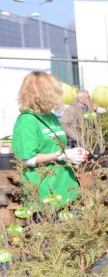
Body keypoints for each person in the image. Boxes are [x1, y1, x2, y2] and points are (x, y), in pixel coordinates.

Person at [12, 71, 86, 210]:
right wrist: (62, 155)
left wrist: (73, 155)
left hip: (66, 188)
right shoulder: (27, 120)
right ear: (41, 94)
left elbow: (55, 147)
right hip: (44, 192)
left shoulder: (50, 116)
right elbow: (27, 159)